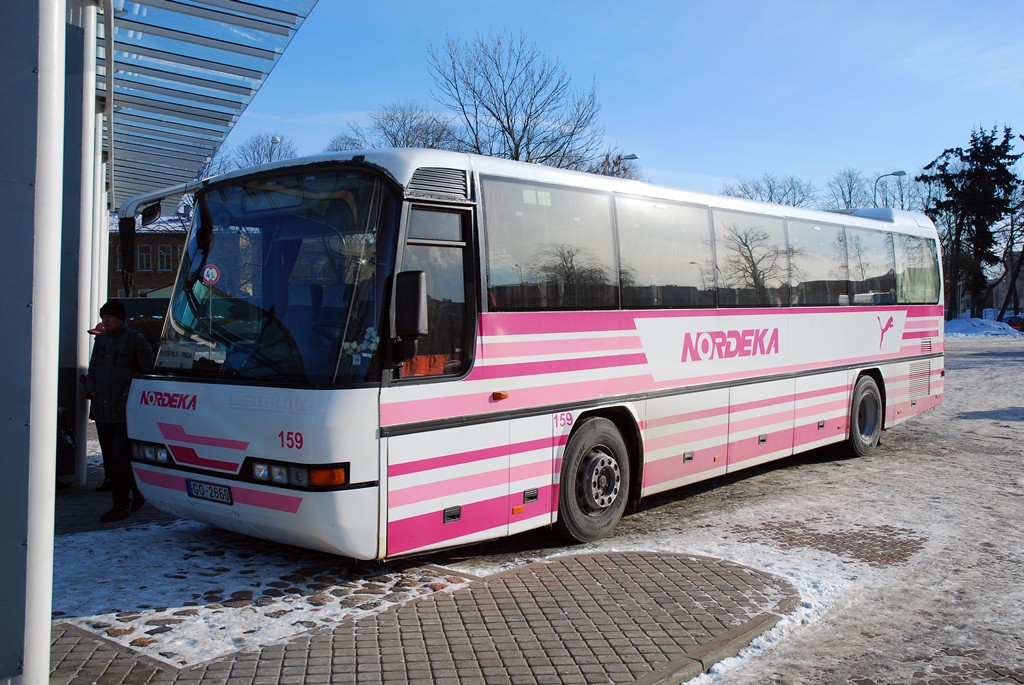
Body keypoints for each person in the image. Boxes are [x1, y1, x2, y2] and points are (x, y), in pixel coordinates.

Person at [85, 300, 155, 522]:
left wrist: (129, 396)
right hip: (103, 411)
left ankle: (120, 505)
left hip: (125, 413)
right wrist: (91, 390)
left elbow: (147, 373)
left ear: (120, 318)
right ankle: (137, 493)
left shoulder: (135, 340)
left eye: (110, 316)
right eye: (103, 316)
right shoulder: (102, 340)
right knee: (112, 460)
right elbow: (93, 368)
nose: (105, 320)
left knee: (119, 459)